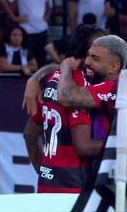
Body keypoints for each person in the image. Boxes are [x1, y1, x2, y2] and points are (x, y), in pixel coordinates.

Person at [23, 25, 106, 193]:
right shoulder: (79, 87)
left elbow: (30, 134)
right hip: (75, 186)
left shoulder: (50, 78)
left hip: (48, 184)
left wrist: (45, 171)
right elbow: (83, 146)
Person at [0, 0, 53, 67]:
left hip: (42, 30)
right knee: (28, 64)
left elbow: (50, 6)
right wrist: (14, 18)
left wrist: (45, 18)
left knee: (41, 64)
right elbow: (3, 0)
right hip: (26, 31)